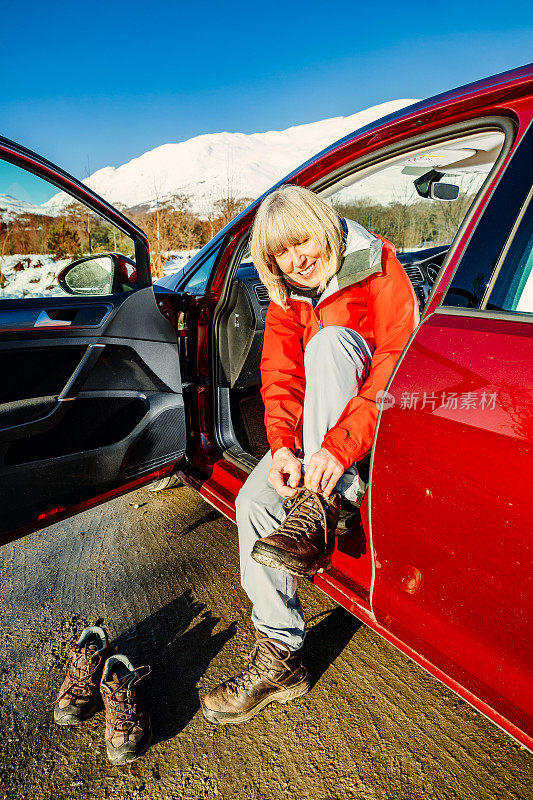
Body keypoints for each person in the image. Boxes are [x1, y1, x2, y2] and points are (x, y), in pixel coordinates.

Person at [202, 185, 419, 725]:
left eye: (301, 241)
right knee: (254, 501)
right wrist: (279, 448)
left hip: (372, 430)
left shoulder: (376, 263)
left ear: (321, 226)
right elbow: (281, 376)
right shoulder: (286, 299)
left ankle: (324, 507)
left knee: (328, 344)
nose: (297, 260)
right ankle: (280, 655)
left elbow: (400, 353)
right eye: (281, 254)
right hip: (319, 441)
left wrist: (340, 448)